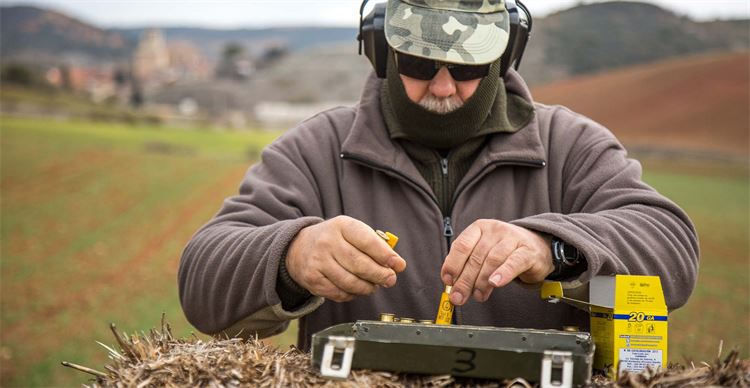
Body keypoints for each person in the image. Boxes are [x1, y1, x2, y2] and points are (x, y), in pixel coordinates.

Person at [178, 0, 698, 351]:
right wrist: (292, 256)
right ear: (381, 52)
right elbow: (202, 281)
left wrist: (553, 248)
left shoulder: (570, 144)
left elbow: (672, 246)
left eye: (469, 67)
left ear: (504, 56)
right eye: (421, 66)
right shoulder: (317, 148)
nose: (444, 88)